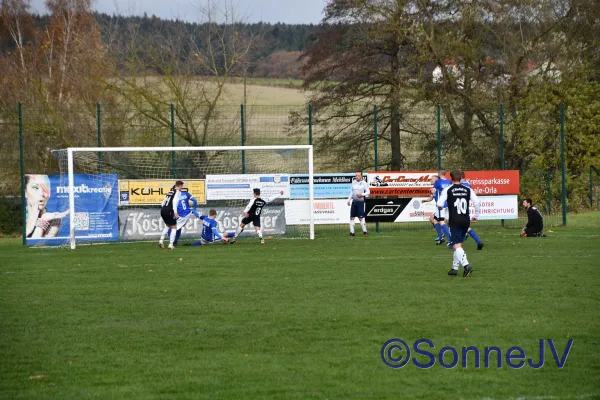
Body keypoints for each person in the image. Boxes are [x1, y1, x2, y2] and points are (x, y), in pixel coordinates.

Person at [437, 170, 480, 277]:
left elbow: (439, 203)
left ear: (451, 178)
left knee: (456, 245)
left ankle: (466, 265)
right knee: (458, 244)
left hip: (454, 220)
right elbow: (477, 202)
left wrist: (441, 209)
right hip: (465, 220)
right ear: (461, 178)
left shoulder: (448, 189)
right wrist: (476, 216)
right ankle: (454, 269)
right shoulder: (468, 189)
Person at [25, 174, 70, 238]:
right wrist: (38, 223)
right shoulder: (21, 216)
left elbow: (42, 245)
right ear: (25, 192)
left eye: (45, 189)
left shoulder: (52, 219)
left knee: (56, 220)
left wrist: (43, 220)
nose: (42, 194)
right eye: (35, 188)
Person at [421, 174, 451, 245]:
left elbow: (435, 193)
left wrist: (432, 191)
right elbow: (432, 197)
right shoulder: (437, 188)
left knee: (442, 222)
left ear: (436, 180)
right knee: (433, 219)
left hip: (442, 207)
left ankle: (447, 238)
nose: (430, 180)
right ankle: (442, 236)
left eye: (431, 179)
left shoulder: (437, 186)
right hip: (444, 206)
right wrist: (425, 200)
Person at [459, 174, 484, 250]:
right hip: (465, 211)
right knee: (465, 228)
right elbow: (476, 202)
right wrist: (476, 215)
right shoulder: (468, 186)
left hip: (456, 211)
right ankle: (478, 242)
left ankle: (454, 245)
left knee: (454, 227)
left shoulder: (455, 186)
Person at [158, 180, 184, 249]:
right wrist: (175, 212)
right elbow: (175, 202)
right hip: (169, 211)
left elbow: (162, 203)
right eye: (182, 186)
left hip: (163, 210)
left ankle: (161, 240)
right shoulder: (177, 192)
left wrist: (165, 208)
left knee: (167, 226)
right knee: (174, 227)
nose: (182, 188)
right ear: (180, 186)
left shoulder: (170, 192)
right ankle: (171, 244)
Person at [347, 171, 370, 237]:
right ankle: (352, 233)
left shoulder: (364, 183)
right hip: (354, 202)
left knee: (361, 217)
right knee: (352, 217)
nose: (356, 177)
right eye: (356, 175)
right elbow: (352, 192)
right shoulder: (353, 182)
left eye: (358, 175)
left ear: (361, 176)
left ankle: (365, 232)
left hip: (360, 202)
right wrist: (348, 200)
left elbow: (368, 192)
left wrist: (362, 194)